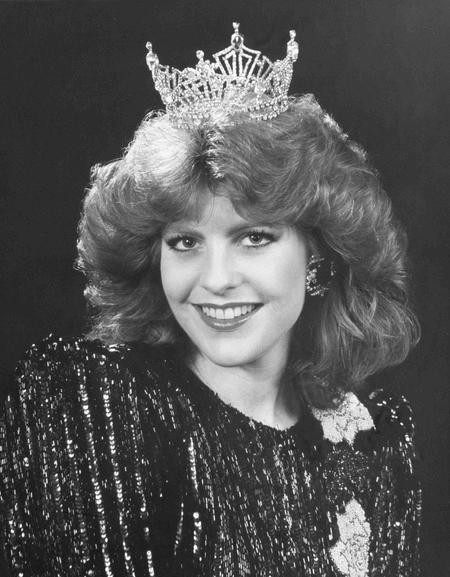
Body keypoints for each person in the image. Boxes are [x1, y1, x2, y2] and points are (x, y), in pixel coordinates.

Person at [0, 24, 421, 577]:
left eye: (254, 237)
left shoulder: (375, 441)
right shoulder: (92, 403)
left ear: (318, 255)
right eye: (185, 242)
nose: (216, 279)